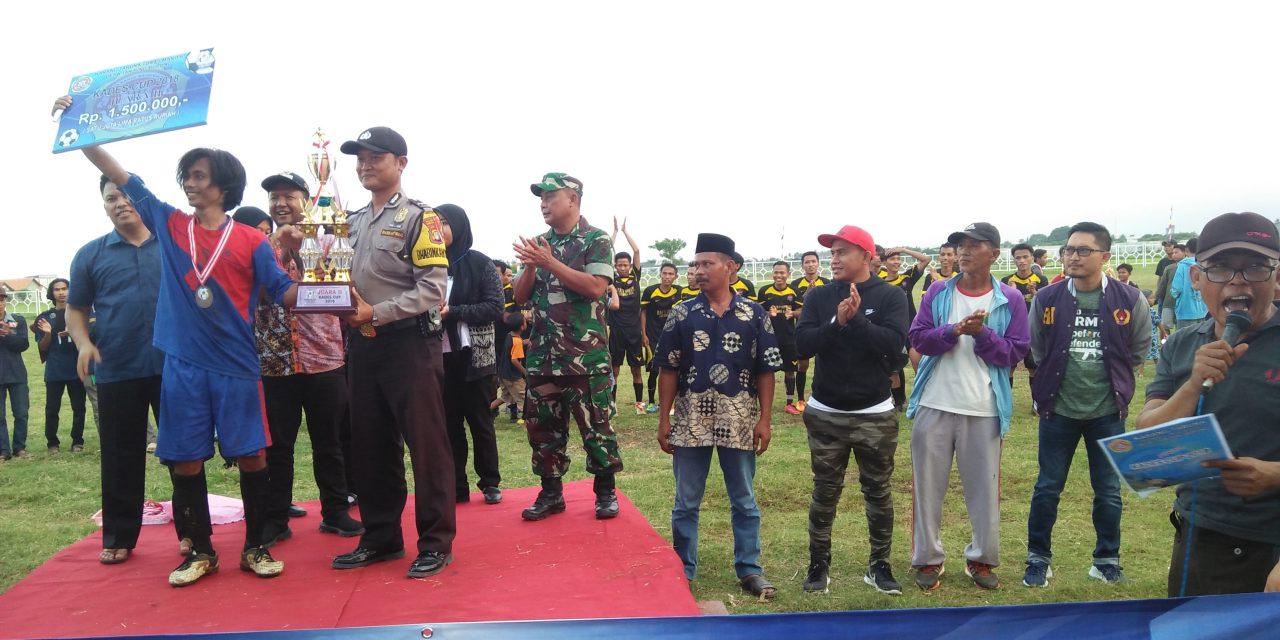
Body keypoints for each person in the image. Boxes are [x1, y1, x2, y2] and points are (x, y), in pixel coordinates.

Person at [60, 89, 304, 587]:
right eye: (187, 177)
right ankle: (201, 551)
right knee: (186, 460)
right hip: (182, 366)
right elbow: (120, 172)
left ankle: (256, 546)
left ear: (222, 186)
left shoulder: (254, 241)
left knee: (254, 456)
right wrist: (81, 128)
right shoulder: (171, 224)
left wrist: (319, 280)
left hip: (236, 365)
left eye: (198, 177)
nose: (189, 184)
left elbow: (284, 295)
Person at [330, 126, 455, 579]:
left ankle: (436, 542)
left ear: (400, 163)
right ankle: (381, 537)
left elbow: (432, 289)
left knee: (426, 447)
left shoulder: (422, 218)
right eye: (359, 158)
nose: (365, 165)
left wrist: (375, 313)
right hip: (363, 348)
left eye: (375, 157)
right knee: (370, 445)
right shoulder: (355, 221)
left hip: (409, 346)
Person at [1136, 212, 1280, 596]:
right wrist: (1193, 385)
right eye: (1219, 268)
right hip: (1200, 536)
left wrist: (1275, 474)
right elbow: (1147, 439)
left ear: (1277, 279)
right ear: (1197, 279)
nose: (1236, 281)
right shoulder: (1183, 345)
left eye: (1254, 267)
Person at [1022, 222, 1150, 588]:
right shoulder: (1048, 298)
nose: (1073, 257)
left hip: (1108, 413)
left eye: (1083, 251)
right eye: (1068, 250)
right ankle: (1038, 559)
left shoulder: (1129, 299)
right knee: (1047, 487)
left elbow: (1138, 348)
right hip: (1058, 411)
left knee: (1108, 491)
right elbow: (1038, 348)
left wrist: (1120, 387)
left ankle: (1106, 559)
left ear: (1105, 257)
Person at [655, 233, 781, 599]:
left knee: (744, 499)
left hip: (739, 419)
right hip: (691, 420)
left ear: (731, 267)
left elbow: (766, 370)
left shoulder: (753, 314)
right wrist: (665, 419)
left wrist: (765, 420)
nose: (697, 271)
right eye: (694, 264)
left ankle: (749, 569)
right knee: (685, 502)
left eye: (706, 263)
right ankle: (683, 569)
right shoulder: (683, 312)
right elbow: (668, 369)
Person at [906, 222, 1030, 591]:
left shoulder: (1010, 299)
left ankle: (982, 559)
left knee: (984, 490)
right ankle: (928, 560)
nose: (963, 251)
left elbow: (1015, 352)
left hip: (984, 408)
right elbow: (917, 339)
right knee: (926, 487)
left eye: (974, 245)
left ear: (994, 254)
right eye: (960, 244)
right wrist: (953, 331)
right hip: (935, 403)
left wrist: (982, 335)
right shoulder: (938, 292)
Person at [795, 225, 909, 596]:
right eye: (832, 253)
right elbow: (803, 345)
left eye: (843, 252)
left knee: (877, 491)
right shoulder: (819, 296)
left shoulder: (891, 295)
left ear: (867, 256)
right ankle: (818, 564)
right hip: (826, 411)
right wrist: (836, 322)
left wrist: (857, 321)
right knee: (824, 490)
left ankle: (879, 565)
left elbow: (893, 346)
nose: (835, 259)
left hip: (874, 412)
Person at [252, 171, 363, 548]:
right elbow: (257, 291)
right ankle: (276, 517)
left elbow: (339, 287)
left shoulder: (329, 241)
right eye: (274, 197)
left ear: (306, 201)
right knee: (277, 446)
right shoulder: (257, 246)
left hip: (325, 358)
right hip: (275, 361)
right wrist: (278, 246)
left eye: (289, 196)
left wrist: (300, 248)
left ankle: (335, 512)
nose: (280, 203)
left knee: (329, 441)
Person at [512, 173, 623, 521]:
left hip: (584, 356)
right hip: (543, 355)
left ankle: (605, 492)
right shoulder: (539, 243)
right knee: (542, 427)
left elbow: (594, 287)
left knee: (596, 426)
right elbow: (519, 295)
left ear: (572, 199)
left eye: (550, 196)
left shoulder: (596, 240)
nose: (543, 203)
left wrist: (550, 263)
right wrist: (531, 266)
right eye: (540, 198)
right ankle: (550, 493)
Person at [66, 173, 164, 564]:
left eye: (125, 195)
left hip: (173, 366)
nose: (120, 203)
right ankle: (120, 535)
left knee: (183, 452)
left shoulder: (172, 246)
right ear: (104, 206)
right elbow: (76, 310)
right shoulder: (91, 254)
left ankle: (194, 534)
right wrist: (84, 343)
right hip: (117, 367)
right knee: (121, 454)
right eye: (110, 198)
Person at [435, 203, 505, 506]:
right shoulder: (426, 264)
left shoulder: (479, 263)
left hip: (475, 357)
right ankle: (457, 485)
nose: (437, 230)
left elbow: (494, 306)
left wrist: (454, 312)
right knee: (449, 425)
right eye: (432, 225)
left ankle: (490, 482)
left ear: (459, 226)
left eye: (443, 224)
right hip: (438, 357)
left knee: (481, 422)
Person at [33, 278, 87, 453]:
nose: (62, 292)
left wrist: (75, 332)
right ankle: (52, 443)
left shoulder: (81, 314)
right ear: (52, 293)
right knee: (52, 408)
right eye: (57, 289)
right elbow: (42, 347)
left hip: (76, 367)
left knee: (79, 407)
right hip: (55, 369)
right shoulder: (44, 317)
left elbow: (90, 341)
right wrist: (48, 334)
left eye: (65, 288)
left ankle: (77, 441)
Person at [608, 217, 646, 415]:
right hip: (616, 331)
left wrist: (624, 231)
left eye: (625, 265)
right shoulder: (611, 279)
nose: (622, 268)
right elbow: (605, 252)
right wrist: (613, 233)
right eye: (619, 265)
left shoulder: (635, 277)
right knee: (614, 370)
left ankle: (639, 404)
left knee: (636, 370)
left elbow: (637, 251)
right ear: (615, 266)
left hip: (634, 332)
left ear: (630, 266)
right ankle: (612, 405)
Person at [1001, 243, 1049, 390]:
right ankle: (1007, 402)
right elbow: (1002, 307)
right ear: (1013, 260)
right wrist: (1011, 293)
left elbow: (1046, 306)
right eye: (1018, 258)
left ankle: (1036, 403)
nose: (1022, 261)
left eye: (1025, 257)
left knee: (1033, 366)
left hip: (1033, 328)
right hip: (1012, 328)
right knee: (1009, 365)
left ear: (1032, 258)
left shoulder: (1041, 279)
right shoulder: (1006, 281)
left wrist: (1035, 292)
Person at [757, 261, 803, 414]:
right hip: (769, 338)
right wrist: (767, 314)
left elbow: (802, 310)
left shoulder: (794, 291)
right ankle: (763, 405)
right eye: (776, 272)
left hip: (789, 338)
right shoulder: (765, 291)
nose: (779, 276)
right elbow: (758, 311)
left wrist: (793, 313)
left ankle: (789, 403)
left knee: (789, 371)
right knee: (766, 372)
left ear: (788, 274)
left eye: (782, 273)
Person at [639, 262, 681, 413]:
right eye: (665, 273)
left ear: (675, 276)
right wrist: (644, 334)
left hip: (672, 336)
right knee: (654, 370)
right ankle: (651, 402)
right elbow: (643, 312)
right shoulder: (650, 291)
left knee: (674, 370)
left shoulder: (679, 292)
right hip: (653, 336)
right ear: (660, 274)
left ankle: (672, 404)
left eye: (670, 274)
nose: (667, 277)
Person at [791, 250, 829, 411]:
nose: (810, 265)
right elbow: (795, 308)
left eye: (813, 261)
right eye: (807, 262)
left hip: (824, 329)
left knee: (825, 362)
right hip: (805, 329)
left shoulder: (827, 282)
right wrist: (807, 294)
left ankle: (824, 395)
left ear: (818, 263)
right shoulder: (795, 285)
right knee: (803, 365)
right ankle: (800, 399)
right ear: (802, 265)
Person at [0, 290, 30, 461]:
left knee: (21, 413)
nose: (0, 304)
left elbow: (23, 345)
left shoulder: (17, 320)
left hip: (17, 374)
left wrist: (8, 334)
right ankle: (3, 451)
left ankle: (20, 448)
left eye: (2, 299)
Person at [490, 312, 527, 424]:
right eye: (525, 321)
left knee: (505, 397)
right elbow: (514, 360)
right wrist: (525, 372)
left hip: (503, 374)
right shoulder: (517, 341)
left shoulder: (510, 335)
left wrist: (529, 341)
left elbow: (518, 344)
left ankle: (483, 412)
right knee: (524, 396)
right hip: (513, 376)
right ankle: (526, 420)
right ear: (522, 326)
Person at [1170, 238, 1208, 330]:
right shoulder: (1205, 264)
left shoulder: (1182, 265)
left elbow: (1177, 288)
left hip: (1185, 310)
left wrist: (1174, 294)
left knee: (1185, 340)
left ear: (1186, 250)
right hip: (1203, 309)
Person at [1155, 244, 1186, 338]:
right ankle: (1165, 346)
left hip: (1183, 303)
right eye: (1173, 253)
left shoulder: (1190, 267)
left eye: (1177, 252)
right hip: (1169, 301)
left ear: (1185, 252)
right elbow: (1162, 285)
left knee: (1181, 327)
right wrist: (1156, 297)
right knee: (1165, 326)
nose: (1174, 255)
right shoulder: (1169, 268)